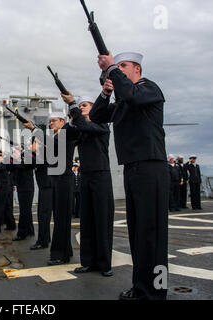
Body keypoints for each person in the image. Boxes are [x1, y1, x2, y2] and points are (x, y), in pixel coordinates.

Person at [91, 52, 169, 300]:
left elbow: (131, 95)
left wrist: (111, 67)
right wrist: (105, 92)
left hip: (151, 167)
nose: (119, 69)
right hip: (133, 168)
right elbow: (96, 116)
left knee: (153, 233)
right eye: (118, 65)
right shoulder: (124, 100)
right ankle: (141, 288)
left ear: (137, 68)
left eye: (124, 66)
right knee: (138, 233)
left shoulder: (148, 88)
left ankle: (156, 292)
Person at [61, 94, 115, 277]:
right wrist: (71, 115)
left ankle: (105, 264)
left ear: (94, 109)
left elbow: (85, 125)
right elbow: (66, 134)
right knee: (87, 220)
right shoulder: (81, 128)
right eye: (81, 105)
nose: (82, 107)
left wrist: (73, 106)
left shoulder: (101, 125)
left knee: (102, 219)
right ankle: (88, 261)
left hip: (101, 176)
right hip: (85, 176)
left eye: (85, 105)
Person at [23, 112, 79, 265]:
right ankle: (65, 252)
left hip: (64, 179)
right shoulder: (55, 137)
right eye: (50, 121)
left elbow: (55, 146)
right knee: (60, 220)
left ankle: (61, 255)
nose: (51, 123)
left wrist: (34, 129)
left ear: (63, 121)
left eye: (54, 121)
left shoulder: (66, 134)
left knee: (62, 219)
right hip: (56, 179)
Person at [30, 139, 53, 250]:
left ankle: (42, 241)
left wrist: (28, 152)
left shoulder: (44, 154)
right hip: (44, 187)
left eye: (32, 143)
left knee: (43, 215)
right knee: (43, 214)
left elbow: (35, 161)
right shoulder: (40, 154)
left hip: (47, 187)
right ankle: (46, 237)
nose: (31, 145)